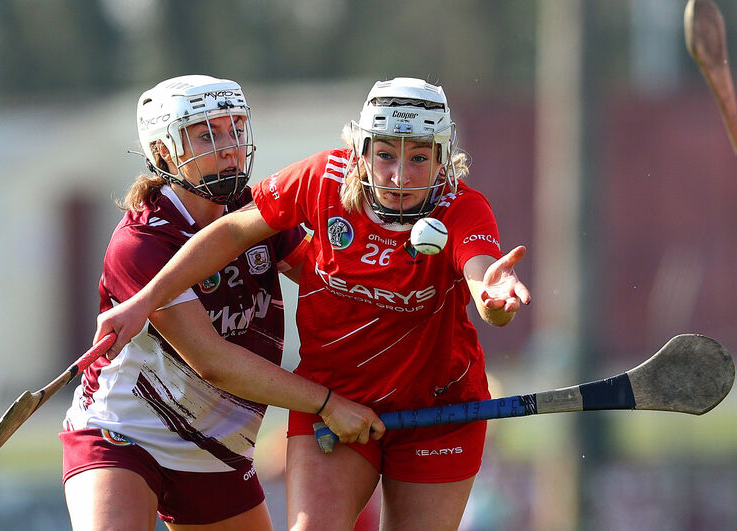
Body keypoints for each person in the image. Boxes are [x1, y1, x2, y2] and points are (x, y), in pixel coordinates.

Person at [94, 77, 530, 531]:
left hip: (439, 410)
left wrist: (492, 296)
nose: (399, 176)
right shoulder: (322, 180)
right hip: (336, 400)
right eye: (384, 155)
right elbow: (232, 232)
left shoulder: (463, 207)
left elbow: (484, 279)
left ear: (443, 159)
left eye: (419, 157)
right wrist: (143, 302)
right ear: (360, 150)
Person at [61, 75, 382, 531]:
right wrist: (327, 403)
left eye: (234, 128)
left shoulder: (255, 212)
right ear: (164, 151)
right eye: (208, 133)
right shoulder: (141, 244)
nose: (229, 146)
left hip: (217, 450)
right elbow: (212, 361)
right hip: (126, 435)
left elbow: (332, 285)